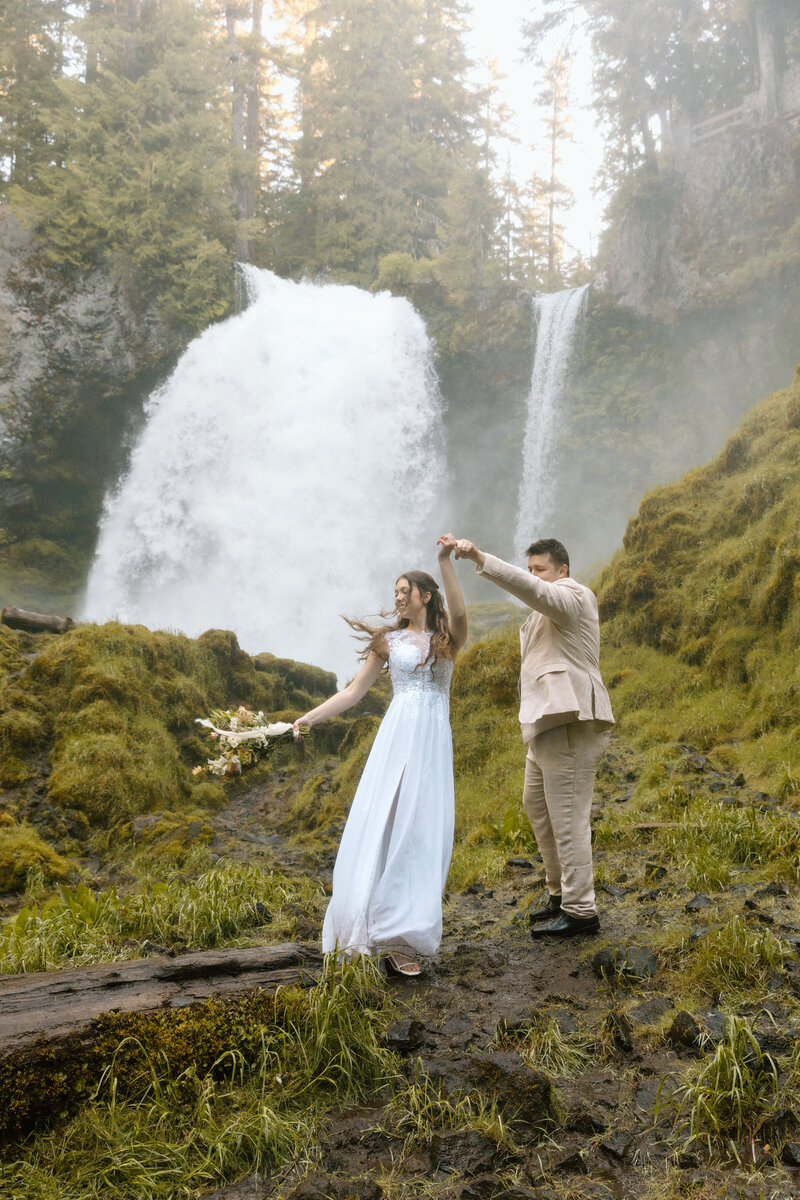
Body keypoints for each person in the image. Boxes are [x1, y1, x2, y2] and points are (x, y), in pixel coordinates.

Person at [293, 539, 467, 976]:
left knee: (421, 828)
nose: (397, 597)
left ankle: (403, 934)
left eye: (404, 590)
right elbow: (354, 692)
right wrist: (309, 718)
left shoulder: (446, 639)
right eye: (395, 592)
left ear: (424, 596)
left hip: (432, 742)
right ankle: (370, 924)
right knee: (387, 819)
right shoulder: (386, 641)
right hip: (397, 738)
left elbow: (462, 614)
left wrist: (445, 561)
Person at [439, 533, 613, 937]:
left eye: (541, 569)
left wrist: (481, 558)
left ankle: (581, 911)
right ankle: (559, 894)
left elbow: (534, 591)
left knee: (568, 817)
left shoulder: (574, 595)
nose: (535, 576)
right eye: (531, 568)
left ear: (562, 571)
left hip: (571, 722)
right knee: (536, 805)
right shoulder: (542, 615)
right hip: (548, 725)